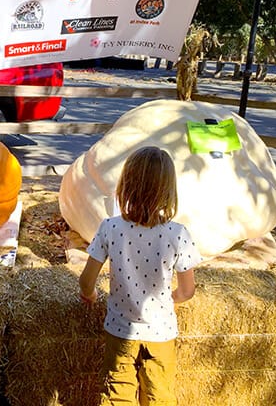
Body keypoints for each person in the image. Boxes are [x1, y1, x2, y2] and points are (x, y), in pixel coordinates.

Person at [78, 146, 202, 406]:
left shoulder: (110, 228)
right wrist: (169, 302)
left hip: (120, 331)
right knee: (160, 395)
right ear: (169, 191)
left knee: (117, 394)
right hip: (161, 333)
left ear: (126, 186)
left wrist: (90, 294)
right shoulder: (178, 234)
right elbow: (187, 291)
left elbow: (86, 281)